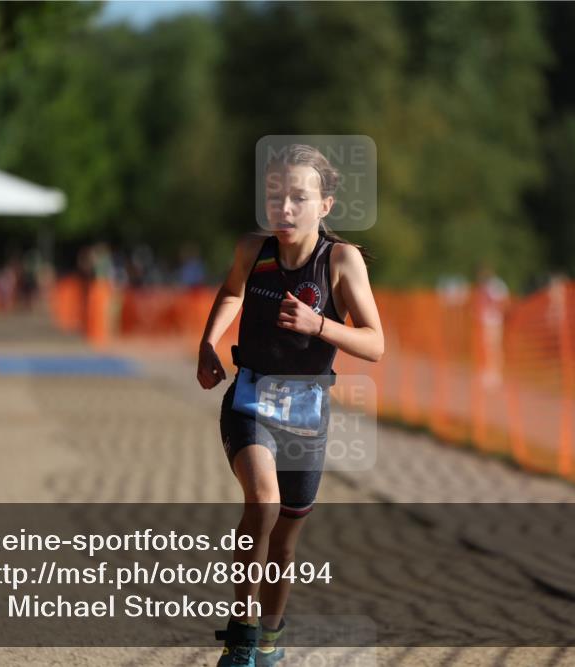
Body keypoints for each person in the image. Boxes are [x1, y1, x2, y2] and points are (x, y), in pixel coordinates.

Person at [197, 144, 384, 666]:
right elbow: (232, 292)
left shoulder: (340, 262)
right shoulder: (252, 251)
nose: (284, 207)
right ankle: (241, 636)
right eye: (275, 195)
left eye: (298, 197)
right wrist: (208, 342)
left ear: (324, 205)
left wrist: (318, 325)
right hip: (251, 399)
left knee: (283, 542)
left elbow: (375, 342)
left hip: (307, 416)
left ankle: (271, 642)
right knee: (264, 502)